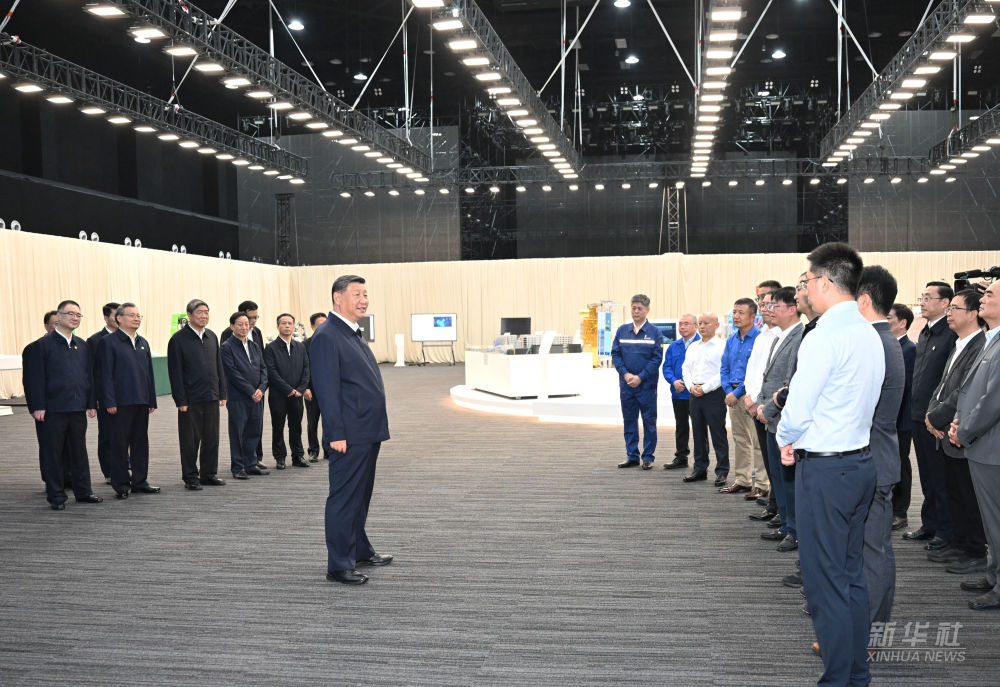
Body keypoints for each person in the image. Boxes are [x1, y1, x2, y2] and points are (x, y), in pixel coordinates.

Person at [776, 243, 885, 686]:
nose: (804, 289)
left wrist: (785, 438)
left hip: (825, 471)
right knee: (850, 576)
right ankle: (856, 674)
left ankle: (839, 679)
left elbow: (799, 408)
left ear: (824, 282)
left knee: (825, 584)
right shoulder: (868, 332)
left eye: (806, 281)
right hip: (858, 463)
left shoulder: (823, 335)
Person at [310, 275, 392, 586]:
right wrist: (335, 434)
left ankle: (358, 549)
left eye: (366, 294)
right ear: (338, 297)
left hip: (367, 430)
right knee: (344, 497)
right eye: (357, 294)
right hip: (348, 434)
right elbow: (327, 390)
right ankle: (339, 564)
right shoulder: (327, 335)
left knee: (361, 495)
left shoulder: (351, 332)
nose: (364, 300)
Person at [856, 266, 905, 627]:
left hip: (871, 458)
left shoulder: (874, 342)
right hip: (875, 456)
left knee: (873, 550)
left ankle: (870, 631)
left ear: (863, 300)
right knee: (869, 548)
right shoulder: (883, 338)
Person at [925, 290, 987, 575]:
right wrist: (931, 413)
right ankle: (960, 543)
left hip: (961, 431)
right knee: (954, 492)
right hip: (945, 431)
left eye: (954, 308)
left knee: (967, 495)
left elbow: (963, 391)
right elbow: (942, 386)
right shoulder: (958, 343)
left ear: (973, 314)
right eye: (948, 308)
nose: (948, 313)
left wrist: (936, 417)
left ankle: (974, 550)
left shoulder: (980, 345)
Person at [950, 281, 1000, 610]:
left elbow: (992, 401)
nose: (982, 298)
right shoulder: (991, 339)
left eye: (990, 294)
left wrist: (964, 430)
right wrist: (960, 421)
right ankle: (994, 575)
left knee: (997, 522)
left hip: (992, 448)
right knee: (990, 522)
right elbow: (973, 391)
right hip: (982, 445)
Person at [28, 300, 103, 510]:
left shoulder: (83, 345)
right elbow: (34, 379)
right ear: (58, 317)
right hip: (52, 410)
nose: (75, 318)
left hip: (77, 408)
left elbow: (89, 377)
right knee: (53, 454)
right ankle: (56, 496)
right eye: (70, 313)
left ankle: (84, 492)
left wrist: (90, 402)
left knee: (79, 452)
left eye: (78, 315)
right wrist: (38, 406)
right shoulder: (41, 346)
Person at [904, 282, 957, 550]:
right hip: (917, 415)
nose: (922, 302)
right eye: (921, 297)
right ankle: (930, 523)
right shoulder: (925, 333)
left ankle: (945, 531)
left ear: (945, 303)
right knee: (926, 474)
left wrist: (937, 414)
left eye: (928, 297)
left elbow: (949, 381)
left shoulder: (950, 334)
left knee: (940, 478)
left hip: (936, 419)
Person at [755, 287, 803, 553]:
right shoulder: (778, 336)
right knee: (778, 477)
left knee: (789, 480)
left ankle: (795, 531)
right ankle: (786, 525)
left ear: (792, 309)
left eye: (775, 306)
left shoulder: (799, 336)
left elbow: (789, 381)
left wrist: (769, 409)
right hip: (771, 418)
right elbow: (768, 377)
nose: (769, 310)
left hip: (783, 418)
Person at [97, 303, 160, 499]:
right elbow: (105, 374)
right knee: (119, 445)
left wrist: (151, 399)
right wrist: (109, 401)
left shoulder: (143, 342)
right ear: (119, 318)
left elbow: (149, 374)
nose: (136, 318)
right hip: (120, 403)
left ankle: (140, 481)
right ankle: (121, 484)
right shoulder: (109, 342)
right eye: (132, 315)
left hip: (141, 401)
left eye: (138, 315)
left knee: (140, 443)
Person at [167, 299, 227, 490]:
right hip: (190, 399)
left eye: (206, 312)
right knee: (190, 441)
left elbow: (219, 366)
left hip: (211, 396)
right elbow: (175, 373)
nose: (204, 315)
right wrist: (180, 400)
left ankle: (208, 474)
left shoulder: (212, 336)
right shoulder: (178, 339)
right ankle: (190, 477)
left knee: (211, 438)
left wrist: (222, 392)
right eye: (199, 312)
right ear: (189, 315)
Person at [612, 295, 663, 470]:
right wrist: (626, 375)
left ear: (647, 310)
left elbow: (656, 359)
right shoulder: (622, 331)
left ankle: (648, 456)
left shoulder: (655, 332)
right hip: (627, 385)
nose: (636, 311)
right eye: (633, 308)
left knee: (649, 421)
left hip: (646, 386)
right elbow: (616, 354)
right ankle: (632, 455)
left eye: (639, 308)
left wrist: (640, 377)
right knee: (629, 420)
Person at [743, 282, 782, 503]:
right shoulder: (762, 335)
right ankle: (774, 502)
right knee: (768, 458)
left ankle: (777, 504)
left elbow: (776, 376)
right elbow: (753, 371)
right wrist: (749, 397)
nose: (763, 306)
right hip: (755, 404)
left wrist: (758, 401)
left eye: (768, 301)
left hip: (770, 406)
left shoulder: (782, 335)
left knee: (776, 459)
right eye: (760, 301)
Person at [681, 312, 728, 486]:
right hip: (694, 393)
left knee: (718, 434)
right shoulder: (693, 347)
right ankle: (699, 469)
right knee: (698, 433)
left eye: (706, 323)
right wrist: (690, 386)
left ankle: (722, 471)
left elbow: (723, 372)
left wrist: (705, 388)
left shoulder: (722, 346)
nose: (701, 326)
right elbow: (685, 369)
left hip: (714, 394)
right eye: (700, 323)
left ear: (716, 325)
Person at [719, 298, 760, 494]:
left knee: (757, 442)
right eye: (734, 312)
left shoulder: (760, 339)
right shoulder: (731, 340)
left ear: (753, 316)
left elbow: (756, 372)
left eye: (741, 312)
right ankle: (743, 480)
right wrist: (728, 391)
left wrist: (736, 393)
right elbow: (724, 368)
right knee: (740, 440)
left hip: (751, 397)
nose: (736, 316)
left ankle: (762, 484)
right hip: (733, 397)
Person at [221, 312, 269, 480]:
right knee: (238, 433)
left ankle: (251, 464)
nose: (244, 327)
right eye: (240, 324)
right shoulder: (227, 347)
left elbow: (263, 369)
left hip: (257, 397)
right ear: (232, 326)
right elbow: (232, 373)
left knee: (254, 431)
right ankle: (238, 467)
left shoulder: (254, 345)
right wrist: (251, 391)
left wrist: (261, 389)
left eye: (246, 324)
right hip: (238, 398)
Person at [23, 310, 68, 481]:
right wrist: (34, 406)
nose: (59, 327)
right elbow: (30, 381)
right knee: (50, 446)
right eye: (56, 323)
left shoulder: (74, 346)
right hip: (46, 407)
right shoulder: (34, 348)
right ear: (46, 326)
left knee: (71, 446)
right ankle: (51, 480)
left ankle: (69, 477)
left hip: (69, 406)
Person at [264, 313, 311, 469]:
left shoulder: (300, 347)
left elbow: (306, 369)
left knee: (296, 426)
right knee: (278, 427)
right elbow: (271, 372)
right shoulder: (270, 348)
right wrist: (288, 389)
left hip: (297, 395)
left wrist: (300, 389)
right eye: (283, 323)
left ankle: (298, 456)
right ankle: (280, 457)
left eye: (290, 323)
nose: (287, 326)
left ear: (293, 326)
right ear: (277, 326)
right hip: (278, 395)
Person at [889, 303, 916, 531]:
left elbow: (904, 387)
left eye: (889, 318)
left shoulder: (909, 349)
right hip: (886, 419)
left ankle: (900, 511)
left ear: (902, 323)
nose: (885, 321)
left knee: (900, 464)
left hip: (901, 419)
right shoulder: (887, 346)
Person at [87, 302, 120, 484]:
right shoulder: (95, 341)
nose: (119, 318)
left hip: (125, 396)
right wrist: (95, 398)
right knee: (107, 435)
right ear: (106, 318)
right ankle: (109, 471)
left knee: (125, 435)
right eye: (115, 315)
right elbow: (92, 373)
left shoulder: (129, 337)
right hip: (104, 397)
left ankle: (125, 468)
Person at [661, 314, 699, 470]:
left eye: (686, 324)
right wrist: (674, 381)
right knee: (681, 426)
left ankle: (700, 462)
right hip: (678, 393)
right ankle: (681, 457)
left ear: (696, 326)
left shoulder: (701, 345)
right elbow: (667, 367)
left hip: (697, 394)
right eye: (680, 324)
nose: (682, 327)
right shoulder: (674, 346)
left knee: (699, 428)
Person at [304, 312, 328, 462]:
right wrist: (305, 388)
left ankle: (328, 449)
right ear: (312, 327)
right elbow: (303, 369)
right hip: (311, 390)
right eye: (319, 325)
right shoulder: (305, 345)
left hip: (329, 391)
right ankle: (313, 451)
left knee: (329, 421)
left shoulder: (334, 342)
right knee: (312, 422)